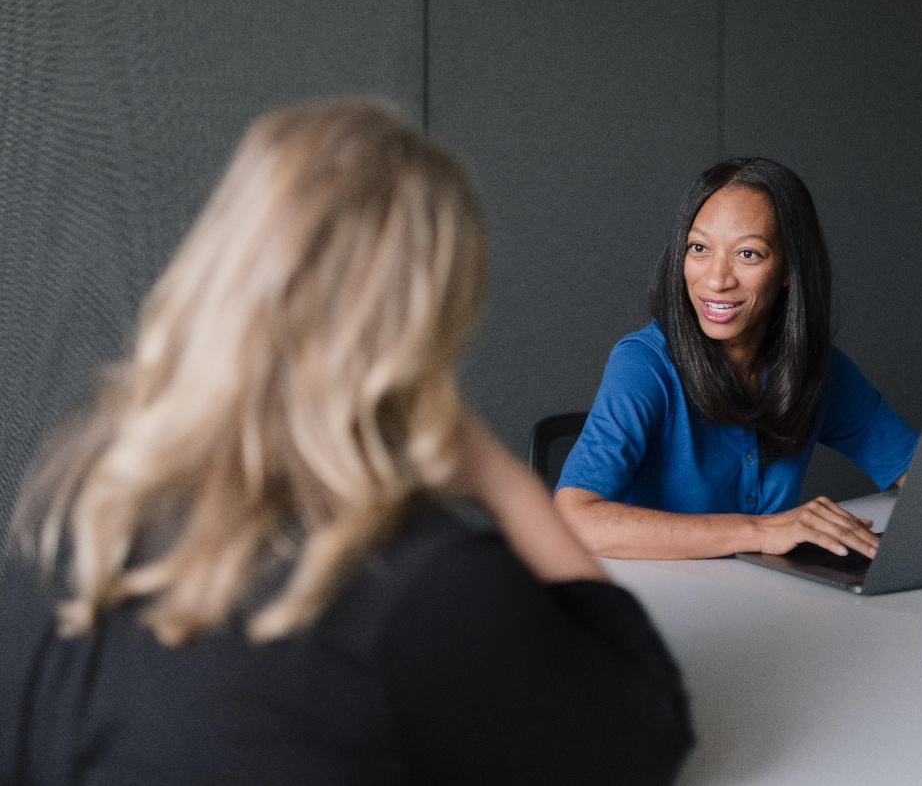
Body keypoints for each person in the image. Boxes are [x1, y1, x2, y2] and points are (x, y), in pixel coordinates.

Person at [0, 100, 691, 785]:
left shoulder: (78, 498)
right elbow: (647, 732)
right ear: (430, 319)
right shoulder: (430, 588)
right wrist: (497, 475)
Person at [556, 158, 918, 561]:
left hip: (763, 598)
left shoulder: (817, 367)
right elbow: (572, 520)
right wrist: (760, 532)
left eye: (748, 254)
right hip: (658, 603)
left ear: (788, 268)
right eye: (699, 248)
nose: (716, 280)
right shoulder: (644, 364)